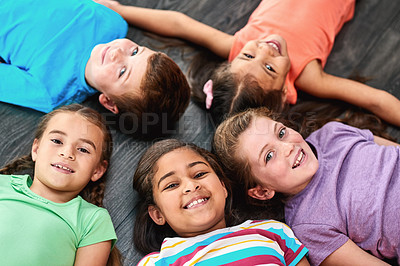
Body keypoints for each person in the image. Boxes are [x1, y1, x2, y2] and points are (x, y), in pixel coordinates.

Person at [94, 0, 400, 126]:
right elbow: (377, 100)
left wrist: (120, 8)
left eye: (249, 56)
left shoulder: (238, 44)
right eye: (269, 67)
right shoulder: (307, 75)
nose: (266, 49)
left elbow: (181, 24)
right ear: (283, 94)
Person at [213, 107, 400, 265]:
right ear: (262, 191)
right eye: (269, 155)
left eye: (281, 133)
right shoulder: (308, 226)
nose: (287, 147)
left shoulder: (333, 133)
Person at [0, 0, 190, 132]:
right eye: (135, 51)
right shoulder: (113, 22)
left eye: (122, 72)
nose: (117, 53)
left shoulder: (49, 92)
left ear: (109, 102)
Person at [132, 139, 309, 265]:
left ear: (223, 187)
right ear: (157, 214)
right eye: (172, 185)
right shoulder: (158, 262)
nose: (191, 186)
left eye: (199, 174)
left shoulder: (272, 230)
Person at [0, 104, 120, 265]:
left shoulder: (92, 220)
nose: (67, 153)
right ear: (36, 149)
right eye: (57, 141)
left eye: (83, 150)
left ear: (98, 170)